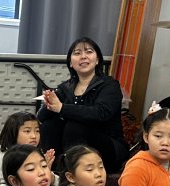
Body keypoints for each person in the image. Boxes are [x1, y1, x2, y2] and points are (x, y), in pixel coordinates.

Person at [37, 36, 128, 173]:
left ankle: (74, 171)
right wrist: (50, 102)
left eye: (89, 52)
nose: (83, 56)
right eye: (77, 53)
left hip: (108, 147)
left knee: (75, 126)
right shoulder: (65, 87)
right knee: (50, 125)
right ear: (70, 63)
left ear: (97, 60)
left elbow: (101, 113)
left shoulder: (109, 85)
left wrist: (62, 108)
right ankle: (55, 170)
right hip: (70, 144)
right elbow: (41, 117)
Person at [0, 111, 52, 186]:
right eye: (27, 131)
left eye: (37, 131)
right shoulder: (1, 157)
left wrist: (47, 170)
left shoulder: (37, 154)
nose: (34, 136)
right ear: (13, 133)